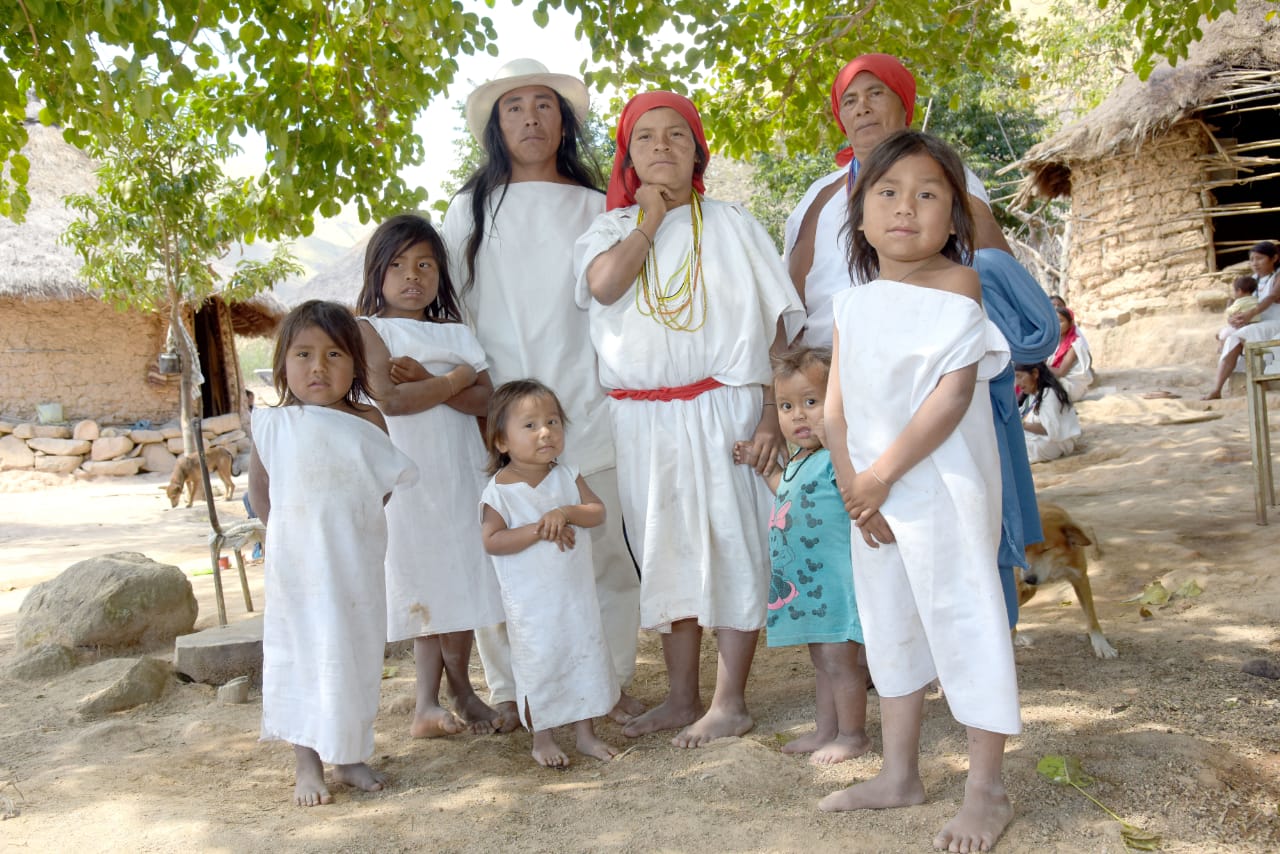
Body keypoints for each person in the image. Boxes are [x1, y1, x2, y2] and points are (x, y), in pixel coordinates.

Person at [785, 53, 1057, 632]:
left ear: (903, 104)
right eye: (850, 99)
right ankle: (883, 657)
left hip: (935, 374)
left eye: (875, 93)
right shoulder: (818, 198)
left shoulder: (944, 177)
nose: (861, 108)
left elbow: (989, 268)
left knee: (952, 516)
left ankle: (972, 645)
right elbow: (794, 295)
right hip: (844, 381)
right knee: (865, 529)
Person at [576, 91, 805, 748]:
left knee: (732, 544)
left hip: (725, 406)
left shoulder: (731, 224)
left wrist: (769, 415)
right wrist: (645, 222)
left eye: (677, 135)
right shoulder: (607, 232)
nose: (661, 147)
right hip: (642, 419)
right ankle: (682, 698)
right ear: (629, 155)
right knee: (665, 551)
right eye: (645, 138)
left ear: (697, 150)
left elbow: (776, 334)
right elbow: (605, 287)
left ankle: (730, 702)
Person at [821, 130, 1019, 853]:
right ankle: (898, 772)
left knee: (965, 620)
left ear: (954, 217)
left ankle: (986, 789)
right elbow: (834, 407)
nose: (907, 207)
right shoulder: (852, 302)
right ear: (861, 212)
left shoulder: (958, 284)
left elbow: (949, 397)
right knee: (889, 624)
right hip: (871, 500)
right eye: (888, 192)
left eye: (928, 194)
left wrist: (881, 477)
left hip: (939, 487)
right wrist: (854, 486)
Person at [442, 59, 643, 729]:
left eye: (544, 105)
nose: (530, 117)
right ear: (497, 127)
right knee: (507, 556)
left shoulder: (598, 209)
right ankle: (515, 689)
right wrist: (479, 404)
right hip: (499, 413)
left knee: (603, 550)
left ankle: (607, 684)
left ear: (565, 122)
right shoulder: (468, 209)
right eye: (514, 107)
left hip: (587, 404)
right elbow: (458, 314)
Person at [248, 300, 416, 806]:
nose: (317, 367)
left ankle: (349, 754)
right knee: (302, 652)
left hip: (354, 564)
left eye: (334, 354)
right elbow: (261, 494)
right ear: (282, 364)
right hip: (298, 570)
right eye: (303, 354)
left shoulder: (368, 420)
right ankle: (306, 761)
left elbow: (380, 487)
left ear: (355, 365)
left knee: (354, 653)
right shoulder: (273, 424)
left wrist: (348, 528)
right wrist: (293, 539)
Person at [355, 214, 506, 739]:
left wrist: (434, 380)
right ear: (377, 273)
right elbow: (393, 401)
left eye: (424, 265)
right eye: (397, 265)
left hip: (462, 470)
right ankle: (425, 703)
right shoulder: (369, 330)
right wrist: (452, 379)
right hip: (410, 478)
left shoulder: (457, 332)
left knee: (460, 575)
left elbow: (489, 399)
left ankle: (462, 689)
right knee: (423, 578)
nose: (411, 276)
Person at [734, 346, 869, 766]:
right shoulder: (800, 461)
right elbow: (790, 500)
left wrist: (837, 438)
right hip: (809, 586)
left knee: (840, 661)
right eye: (788, 406)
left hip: (837, 584)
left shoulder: (838, 459)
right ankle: (827, 729)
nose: (798, 416)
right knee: (822, 660)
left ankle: (853, 735)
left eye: (812, 402)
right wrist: (768, 471)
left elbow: (854, 499)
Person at [479, 380, 620, 768]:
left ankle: (585, 733)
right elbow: (492, 540)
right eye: (530, 425)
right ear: (502, 441)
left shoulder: (567, 475)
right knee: (542, 662)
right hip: (532, 605)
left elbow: (597, 512)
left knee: (582, 654)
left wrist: (566, 512)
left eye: (553, 422)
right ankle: (542, 737)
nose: (546, 432)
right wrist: (537, 530)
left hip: (574, 596)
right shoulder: (500, 492)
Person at [1205, 241, 1280, 399]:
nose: (1254, 263)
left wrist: (1250, 314)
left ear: (1274, 258)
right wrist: (1234, 318)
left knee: (1239, 336)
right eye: (1252, 259)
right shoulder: (1251, 281)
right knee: (1228, 334)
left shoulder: (1277, 277)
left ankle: (1259, 380)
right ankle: (1217, 388)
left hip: (1275, 323)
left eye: (1259, 258)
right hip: (1256, 323)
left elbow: (1272, 296)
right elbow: (1238, 303)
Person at [1016, 361, 1081, 463]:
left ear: (1035, 374)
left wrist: (1021, 424)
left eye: (1020, 377)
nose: (1017, 383)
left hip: (1054, 444)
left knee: (1009, 446)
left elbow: (1049, 430)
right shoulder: (1032, 395)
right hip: (1039, 439)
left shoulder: (1049, 393)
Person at [1049, 306, 1094, 402]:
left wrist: (1040, 365)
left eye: (1060, 321)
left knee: (1045, 391)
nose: (1057, 325)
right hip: (1057, 379)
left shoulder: (1075, 344)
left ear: (1070, 323)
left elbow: (1061, 372)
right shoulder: (1053, 342)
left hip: (1071, 383)